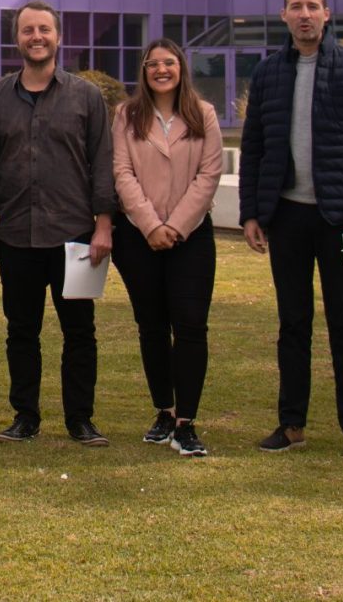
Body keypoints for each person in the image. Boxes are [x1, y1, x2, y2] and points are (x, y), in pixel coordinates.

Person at [241, 0, 343, 461]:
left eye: (312, 6)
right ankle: (291, 424)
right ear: (283, 16)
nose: (304, 14)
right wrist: (251, 213)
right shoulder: (268, 74)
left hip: (340, 219)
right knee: (293, 323)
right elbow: (254, 148)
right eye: (295, 7)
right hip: (287, 216)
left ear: (327, 14)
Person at [0, 1, 116, 448]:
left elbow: (102, 163)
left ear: (58, 37)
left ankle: (80, 419)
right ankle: (25, 417)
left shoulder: (86, 96)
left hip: (75, 235)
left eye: (43, 29)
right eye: (26, 30)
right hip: (16, 234)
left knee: (80, 331)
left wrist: (103, 226)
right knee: (21, 331)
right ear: (16, 39)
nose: (35, 37)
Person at [110, 39, 223, 457]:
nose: (161, 69)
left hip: (190, 238)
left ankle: (186, 422)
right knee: (152, 326)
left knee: (191, 326)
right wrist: (151, 225)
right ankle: (164, 410)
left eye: (169, 62)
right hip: (139, 238)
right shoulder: (127, 115)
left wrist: (174, 226)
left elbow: (209, 176)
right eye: (153, 63)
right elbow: (121, 173)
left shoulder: (203, 115)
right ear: (144, 71)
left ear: (181, 68)